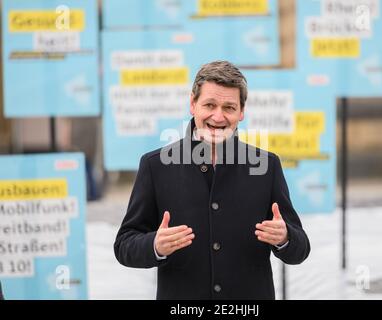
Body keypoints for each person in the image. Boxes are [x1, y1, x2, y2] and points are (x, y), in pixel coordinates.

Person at [114, 61, 310, 300]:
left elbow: (300, 249)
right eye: (210, 104)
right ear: (192, 104)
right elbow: (124, 245)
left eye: (229, 107)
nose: (218, 116)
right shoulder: (155, 165)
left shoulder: (267, 166)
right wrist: (154, 245)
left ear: (241, 112)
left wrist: (285, 237)